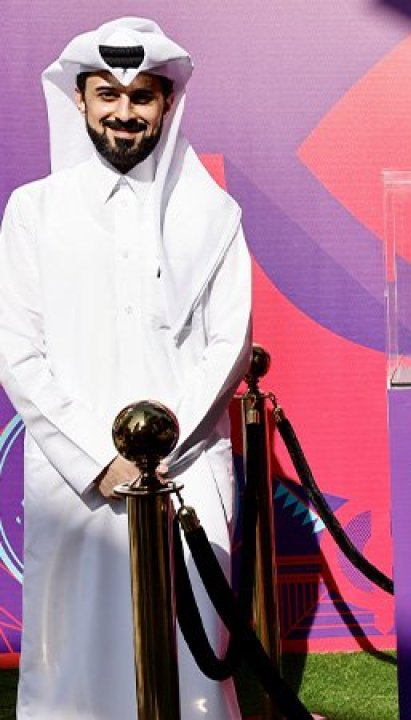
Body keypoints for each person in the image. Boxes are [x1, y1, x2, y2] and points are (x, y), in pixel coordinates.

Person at [0, 17, 250, 719]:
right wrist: (98, 459)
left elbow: (228, 344)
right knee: (73, 664)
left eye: (141, 95)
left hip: (185, 473)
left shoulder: (213, 214)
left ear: (166, 104)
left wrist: (155, 453)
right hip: (75, 480)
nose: (123, 112)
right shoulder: (34, 211)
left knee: (192, 659)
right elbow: (18, 350)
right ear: (79, 100)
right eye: (107, 94)